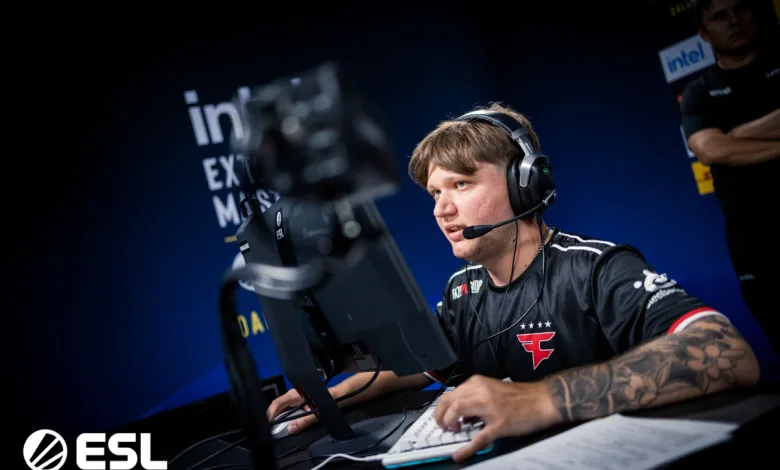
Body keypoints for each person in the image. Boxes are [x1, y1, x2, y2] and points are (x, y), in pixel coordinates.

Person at [267, 103, 761, 462]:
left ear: (525, 183)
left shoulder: (594, 268)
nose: (442, 209)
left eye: (461, 184)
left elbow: (727, 352)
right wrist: (332, 397)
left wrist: (540, 399)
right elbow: (422, 361)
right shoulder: (464, 289)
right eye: (435, 193)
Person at [680, 0, 780, 355]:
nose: (733, 20)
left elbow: (722, 144)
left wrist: (733, 136)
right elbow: (710, 150)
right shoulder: (699, 91)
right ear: (704, 33)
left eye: (741, 9)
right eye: (720, 16)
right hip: (756, 243)